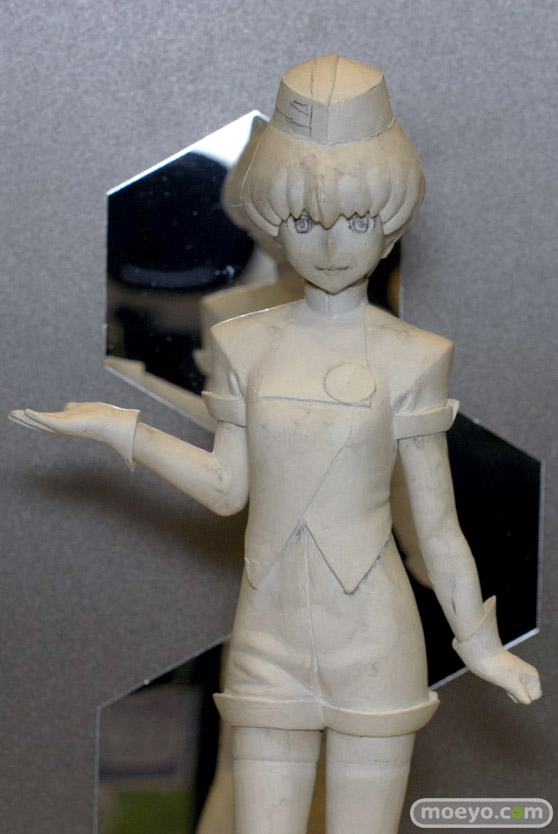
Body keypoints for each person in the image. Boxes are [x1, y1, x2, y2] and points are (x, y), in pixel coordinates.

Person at [10, 56, 541, 834]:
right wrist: (122, 429)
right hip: (269, 635)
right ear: (273, 221)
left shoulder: (416, 357)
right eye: (303, 221)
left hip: (377, 640)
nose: (329, 245)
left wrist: (480, 644)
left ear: (392, 221)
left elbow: (437, 528)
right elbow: (227, 489)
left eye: (355, 219)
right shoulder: (243, 344)